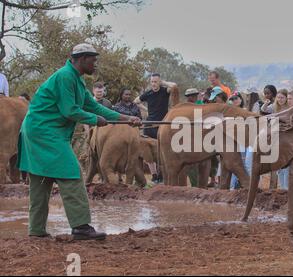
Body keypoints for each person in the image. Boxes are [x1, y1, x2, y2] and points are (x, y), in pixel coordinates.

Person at [17, 43, 141, 240]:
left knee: (42, 179)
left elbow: (93, 106)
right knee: (72, 173)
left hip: (38, 130)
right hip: (44, 132)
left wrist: (125, 119)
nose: (96, 64)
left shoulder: (76, 79)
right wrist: (95, 121)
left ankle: (36, 230)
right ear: (82, 59)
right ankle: (81, 227)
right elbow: (70, 111)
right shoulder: (65, 77)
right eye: (93, 60)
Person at [135, 73, 179, 139]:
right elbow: (136, 101)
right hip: (149, 125)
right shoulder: (148, 93)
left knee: (162, 146)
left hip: (162, 124)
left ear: (159, 82)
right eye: (152, 82)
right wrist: (146, 109)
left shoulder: (165, 91)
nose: (153, 84)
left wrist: (164, 82)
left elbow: (174, 86)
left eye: (155, 82)